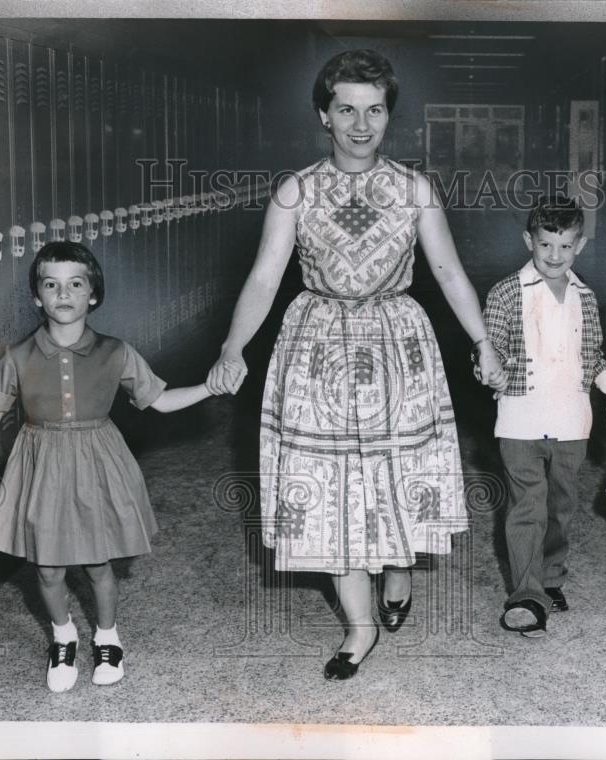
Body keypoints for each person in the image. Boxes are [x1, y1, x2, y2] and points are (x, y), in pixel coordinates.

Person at [206, 49, 505, 680]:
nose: (360, 124)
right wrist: (233, 347)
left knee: (397, 469)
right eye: (346, 109)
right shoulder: (296, 191)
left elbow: (449, 271)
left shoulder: (415, 190)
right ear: (324, 114)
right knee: (329, 480)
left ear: (390, 115)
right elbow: (265, 278)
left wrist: (483, 340)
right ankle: (359, 626)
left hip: (398, 339)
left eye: (374, 110)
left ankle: (399, 568)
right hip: (316, 343)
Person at [0, 241, 218, 691]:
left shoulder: (115, 352)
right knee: (48, 567)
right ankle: (63, 636)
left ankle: (108, 638)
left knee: (97, 563)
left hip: (98, 459)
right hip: (41, 462)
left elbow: (160, 400)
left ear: (93, 294)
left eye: (75, 284)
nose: (63, 294)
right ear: (37, 297)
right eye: (51, 285)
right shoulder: (19, 356)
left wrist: (210, 387)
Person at [482, 197, 606, 638]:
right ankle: (526, 594)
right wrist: (486, 368)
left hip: (571, 421)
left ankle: (550, 578)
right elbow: (490, 348)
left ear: (579, 246)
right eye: (545, 244)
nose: (554, 255)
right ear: (529, 240)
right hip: (520, 420)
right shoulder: (506, 292)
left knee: (560, 507)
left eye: (565, 246)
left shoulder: (586, 297)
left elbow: (594, 359)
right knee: (527, 507)